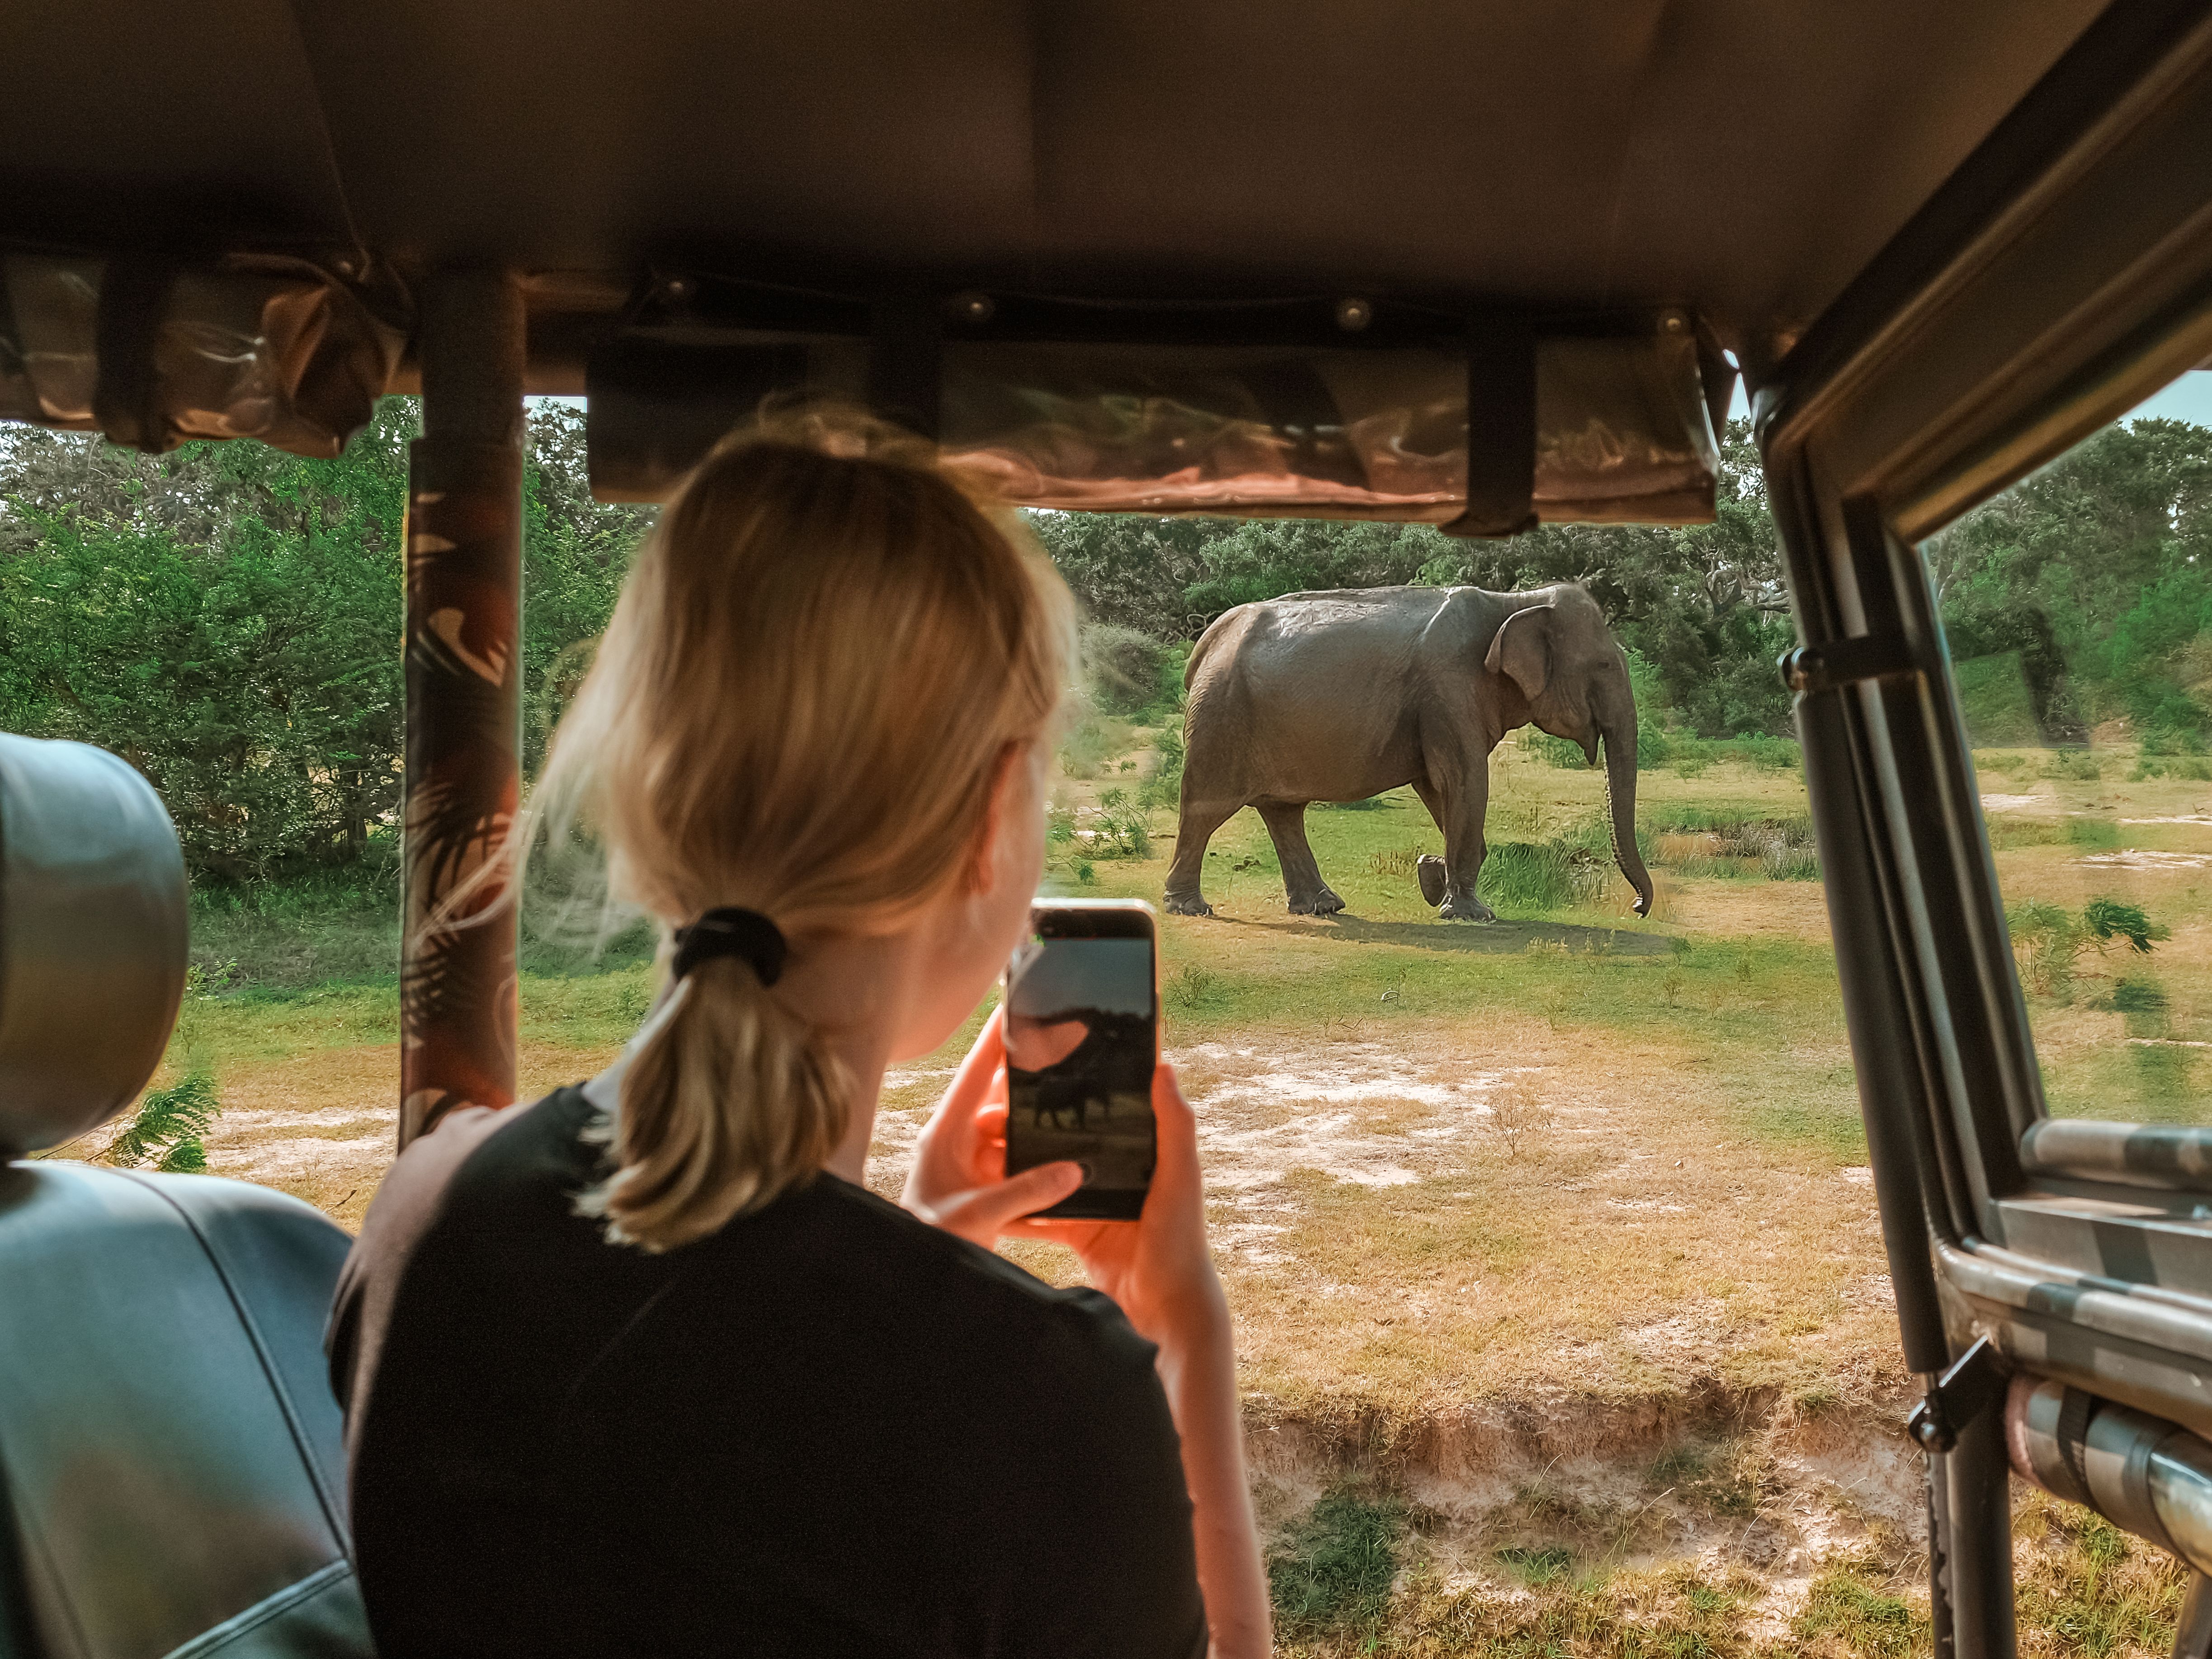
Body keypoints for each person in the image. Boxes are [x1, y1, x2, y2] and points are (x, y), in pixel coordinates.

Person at [327, 408, 1270, 1658]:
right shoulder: (1039, 1403)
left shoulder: (425, 1221)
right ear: (991, 819)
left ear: (654, 784)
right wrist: (1182, 1326)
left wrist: (912, 1255)